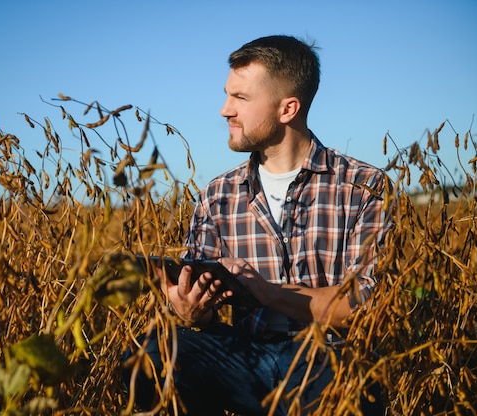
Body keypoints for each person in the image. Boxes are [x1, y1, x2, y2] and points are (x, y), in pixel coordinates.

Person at [122, 35, 393, 415]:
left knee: (345, 380)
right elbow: (199, 310)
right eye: (227, 95)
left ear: (288, 109)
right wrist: (191, 309)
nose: (224, 110)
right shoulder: (219, 193)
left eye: (241, 98)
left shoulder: (363, 186)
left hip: (330, 359)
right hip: (244, 356)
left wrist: (264, 290)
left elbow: (367, 307)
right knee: (151, 355)